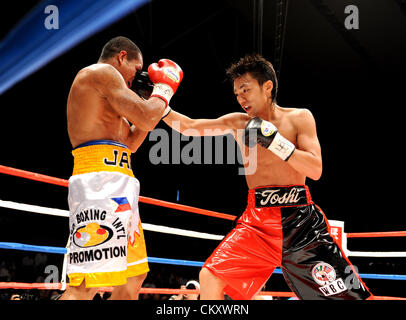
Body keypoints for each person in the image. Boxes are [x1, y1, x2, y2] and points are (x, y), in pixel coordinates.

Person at [161, 54, 373, 300]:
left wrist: (276, 142)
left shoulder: (299, 118)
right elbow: (189, 126)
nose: (240, 98)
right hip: (257, 223)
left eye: (246, 90)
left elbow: (315, 169)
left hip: (301, 223)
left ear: (268, 87)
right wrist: (161, 101)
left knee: (347, 297)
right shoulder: (238, 123)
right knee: (210, 276)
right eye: (237, 93)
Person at [60, 36, 183, 300]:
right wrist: (163, 90)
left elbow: (132, 141)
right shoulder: (101, 73)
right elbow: (147, 117)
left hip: (119, 184)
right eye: (137, 70)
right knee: (86, 284)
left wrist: (155, 102)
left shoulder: (110, 100)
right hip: (98, 181)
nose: (135, 78)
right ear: (122, 57)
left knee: (134, 274)